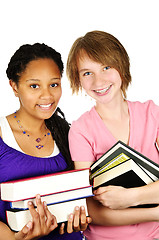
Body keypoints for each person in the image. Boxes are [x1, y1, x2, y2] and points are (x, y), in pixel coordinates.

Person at [66, 30, 159, 240]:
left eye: (106, 67)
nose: (99, 81)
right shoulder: (81, 130)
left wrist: (129, 197)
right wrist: (155, 212)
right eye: (87, 73)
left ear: (122, 67)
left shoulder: (153, 114)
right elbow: (93, 211)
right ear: (78, 79)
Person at [0, 43, 90, 240]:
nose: (47, 95)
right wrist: (16, 238)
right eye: (34, 86)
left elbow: (83, 192)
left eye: (54, 84)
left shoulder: (69, 133)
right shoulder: (2, 134)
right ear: (14, 86)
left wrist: (81, 219)